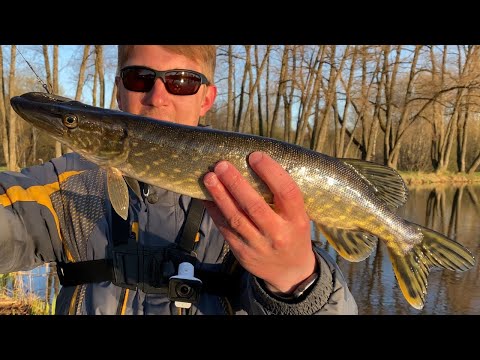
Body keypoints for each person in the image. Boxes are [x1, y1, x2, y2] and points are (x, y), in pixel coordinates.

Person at [0, 45, 358, 315]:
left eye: (182, 82)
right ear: (118, 90)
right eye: (139, 78)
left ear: (207, 98)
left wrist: (298, 280)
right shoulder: (62, 186)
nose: (158, 97)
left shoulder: (250, 202)